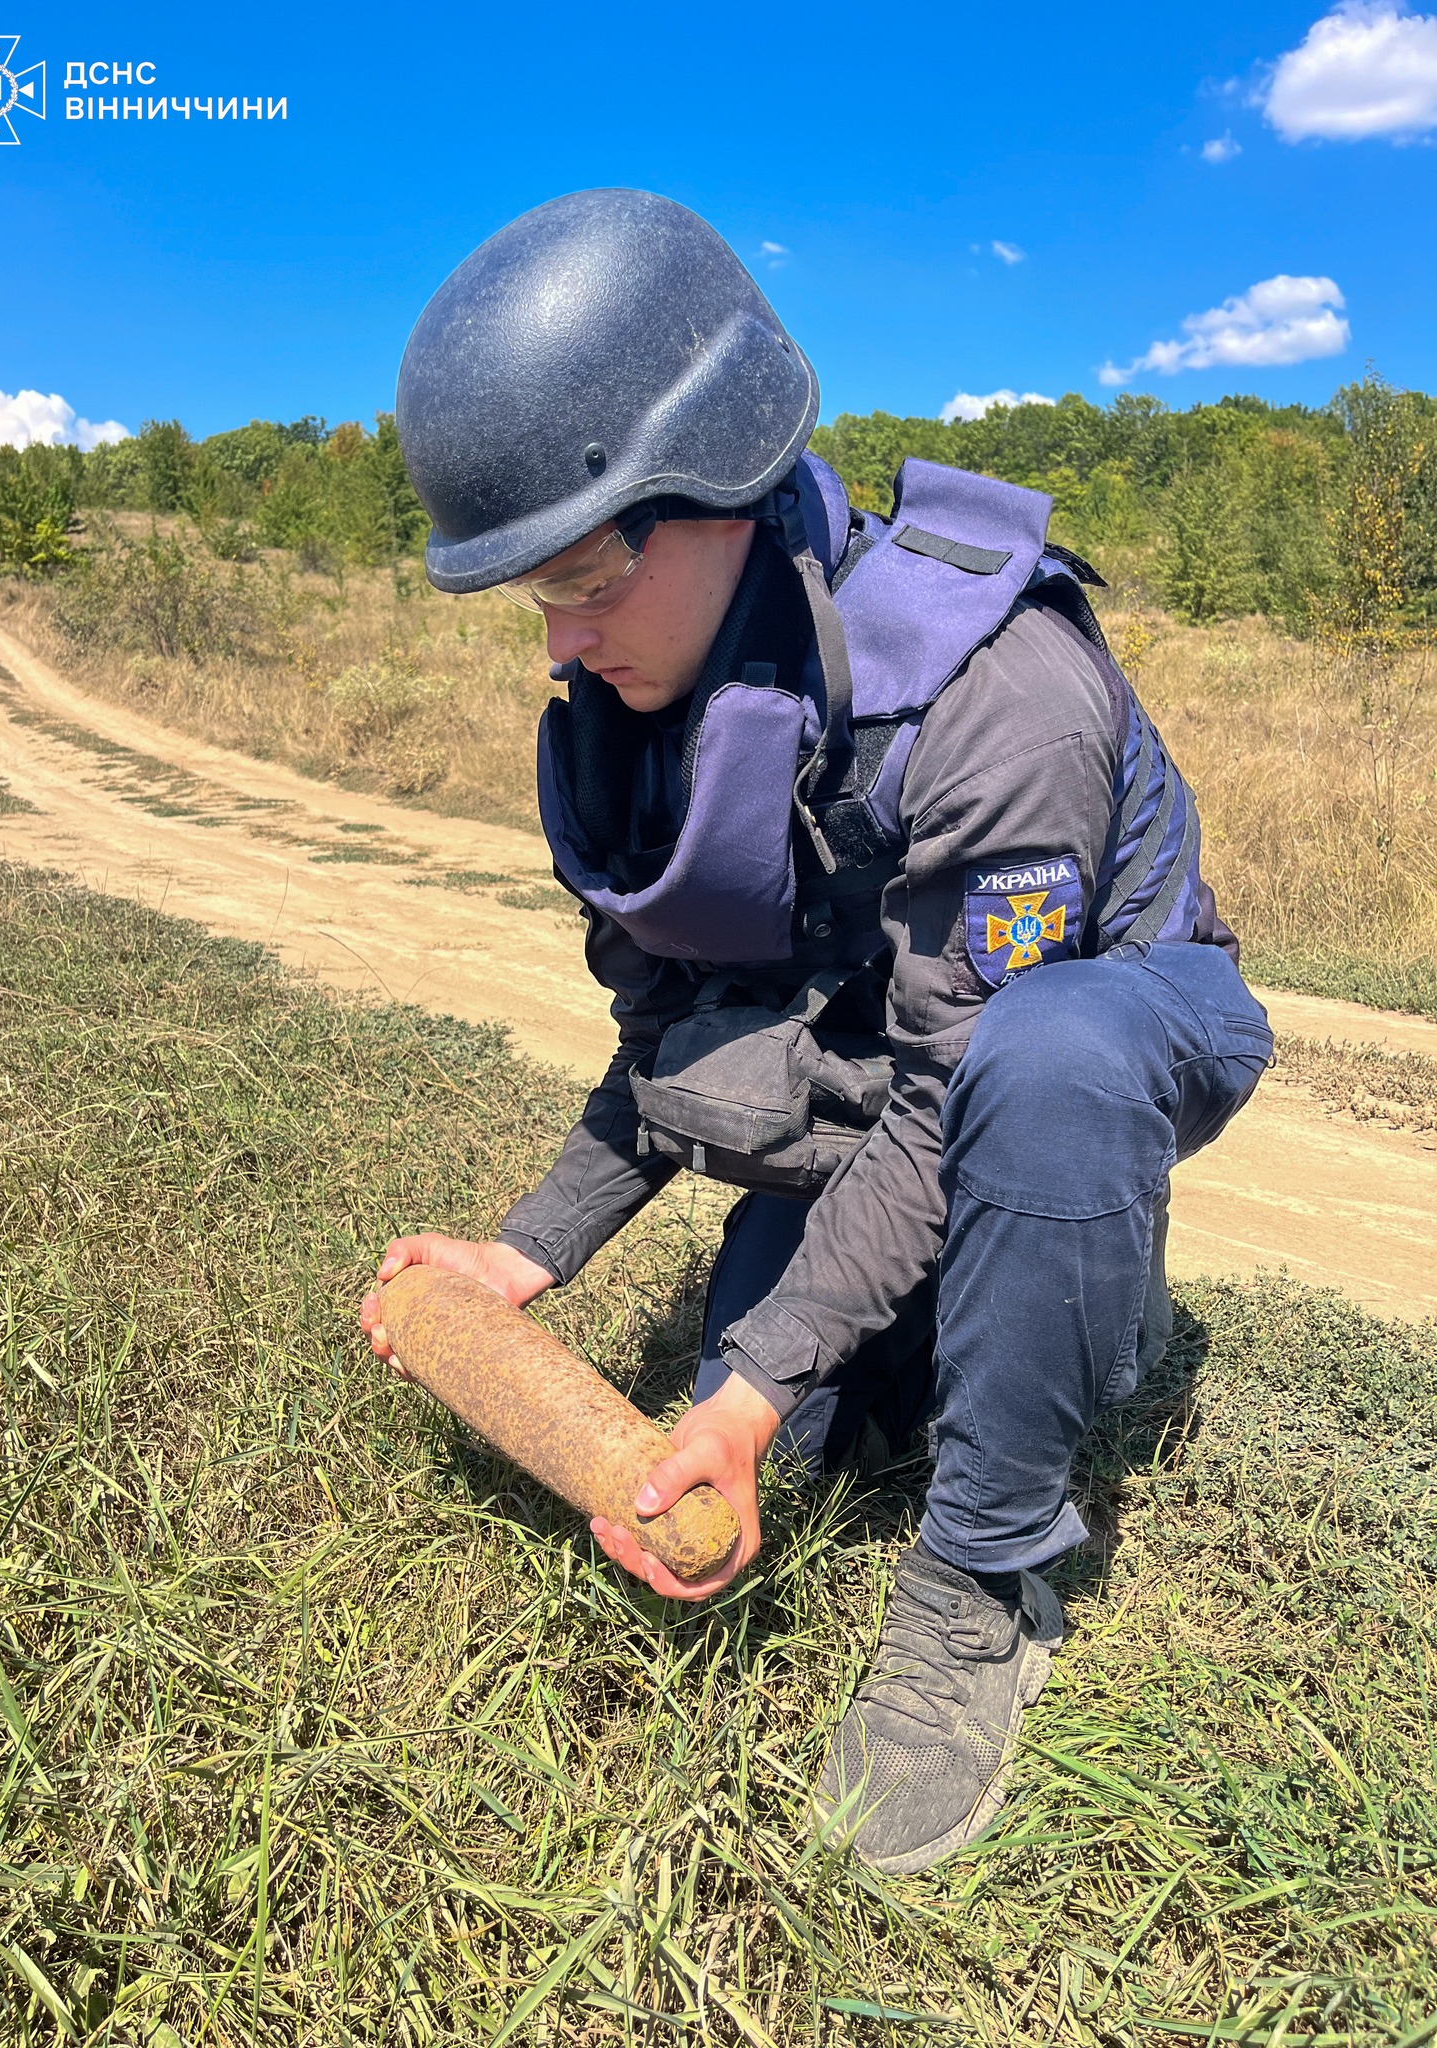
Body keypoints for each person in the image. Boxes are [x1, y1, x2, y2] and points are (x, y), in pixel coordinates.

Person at [359, 189, 1274, 1875]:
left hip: (1113, 1012)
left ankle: (986, 1580)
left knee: (1043, 1067)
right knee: (834, 1385)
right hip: (898, 1054)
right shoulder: (641, 703)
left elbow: (952, 1086)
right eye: (526, 601)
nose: (558, 639)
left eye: (581, 580)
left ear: (723, 488)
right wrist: (521, 1264)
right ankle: (1027, 1318)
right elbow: (678, 1041)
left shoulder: (998, 686)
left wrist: (753, 1393)